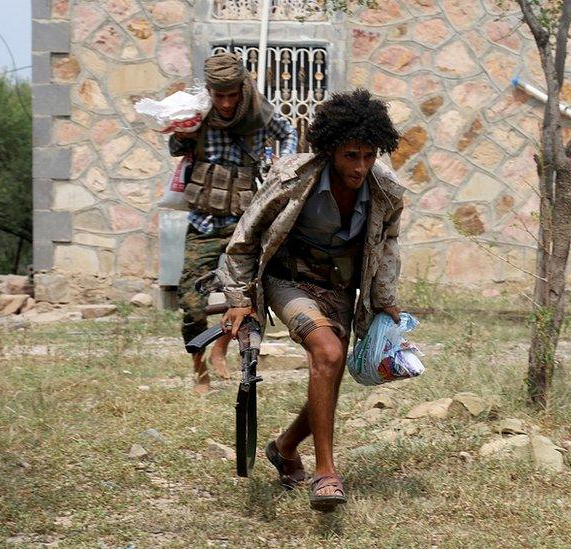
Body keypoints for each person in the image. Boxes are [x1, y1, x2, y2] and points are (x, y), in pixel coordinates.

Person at [220, 89, 403, 512]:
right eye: (350, 156)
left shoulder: (386, 190)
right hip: (290, 281)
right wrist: (239, 297)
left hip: (340, 288)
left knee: (330, 367)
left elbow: (388, 243)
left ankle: (284, 448)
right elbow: (246, 237)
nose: (360, 167)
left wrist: (385, 298)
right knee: (327, 350)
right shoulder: (292, 178)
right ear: (331, 149)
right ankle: (326, 472)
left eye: (369, 156)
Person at [169, 52, 298, 394]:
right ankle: (198, 368)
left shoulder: (258, 112)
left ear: (242, 88)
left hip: (244, 221)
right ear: (210, 90)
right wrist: (181, 132)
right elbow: (174, 144)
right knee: (192, 303)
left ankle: (221, 348)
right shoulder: (199, 112)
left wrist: (280, 165)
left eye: (231, 95)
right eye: (218, 95)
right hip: (203, 222)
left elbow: (287, 132)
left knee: (247, 296)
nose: (225, 103)